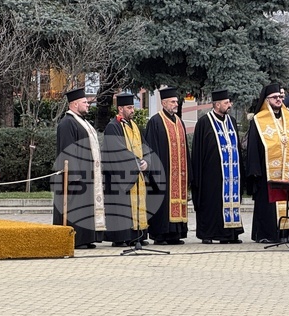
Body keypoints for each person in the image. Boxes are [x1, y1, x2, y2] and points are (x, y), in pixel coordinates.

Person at [246, 83, 289, 243]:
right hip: (266, 172)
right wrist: (254, 170)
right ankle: (267, 234)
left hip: (288, 170)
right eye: (275, 97)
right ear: (266, 100)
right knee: (267, 204)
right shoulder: (259, 120)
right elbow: (253, 147)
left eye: (280, 96)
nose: (279, 99)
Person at [53, 88, 106, 248]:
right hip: (76, 176)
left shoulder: (82, 121)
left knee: (86, 207)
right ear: (75, 104)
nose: (88, 105)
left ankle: (87, 238)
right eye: (85, 102)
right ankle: (76, 239)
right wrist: (74, 175)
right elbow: (67, 150)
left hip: (88, 174)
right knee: (76, 207)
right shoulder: (67, 123)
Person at [190, 89, 244, 244]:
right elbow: (198, 151)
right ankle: (208, 234)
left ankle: (230, 234)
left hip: (231, 174)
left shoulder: (231, 121)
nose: (229, 105)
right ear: (217, 104)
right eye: (226, 103)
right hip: (210, 174)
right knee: (211, 203)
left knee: (230, 201)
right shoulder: (204, 122)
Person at [144, 87, 190, 246]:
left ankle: (175, 234)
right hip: (163, 173)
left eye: (176, 101)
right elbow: (150, 149)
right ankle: (160, 235)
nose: (176, 104)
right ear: (163, 103)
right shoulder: (155, 121)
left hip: (179, 174)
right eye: (172, 102)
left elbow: (185, 149)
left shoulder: (179, 121)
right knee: (162, 205)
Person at [102, 93, 148, 246]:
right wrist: (137, 162)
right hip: (119, 176)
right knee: (121, 208)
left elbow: (145, 147)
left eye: (133, 107)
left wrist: (146, 161)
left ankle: (137, 236)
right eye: (129, 107)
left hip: (135, 172)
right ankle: (120, 238)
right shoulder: (113, 127)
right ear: (120, 109)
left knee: (136, 205)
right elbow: (117, 150)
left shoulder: (134, 126)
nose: (132, 110)